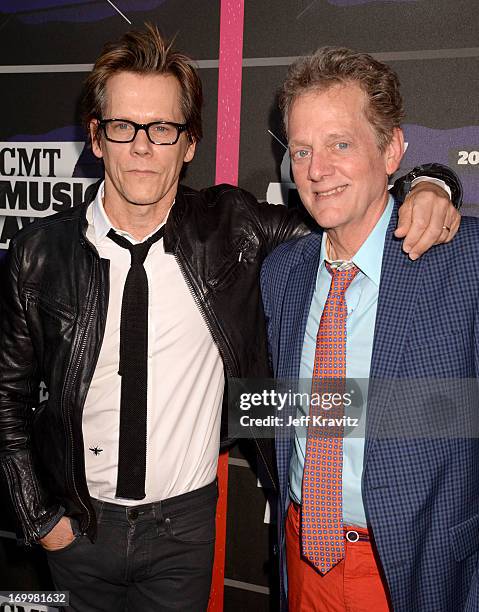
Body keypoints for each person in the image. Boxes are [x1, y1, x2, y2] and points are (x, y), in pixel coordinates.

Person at [0, 25, 461, 612]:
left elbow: (352, 213)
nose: (143, 146)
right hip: (74, 530)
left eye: (162, 128)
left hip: (184, 533)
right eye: (123, 126)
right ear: (97, 137)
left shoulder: (233, 229)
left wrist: (431, 182)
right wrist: (39, 519)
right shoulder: (39, 252)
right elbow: (6, 398)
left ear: (189, 143)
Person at [260, 47, 478, 612]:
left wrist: (435, 183)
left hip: (416, 568)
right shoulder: (283, 272)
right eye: (303, 150)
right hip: (303, 555)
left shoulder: (464, 262)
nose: (316, 170)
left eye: (340, 144)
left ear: (392, 150)